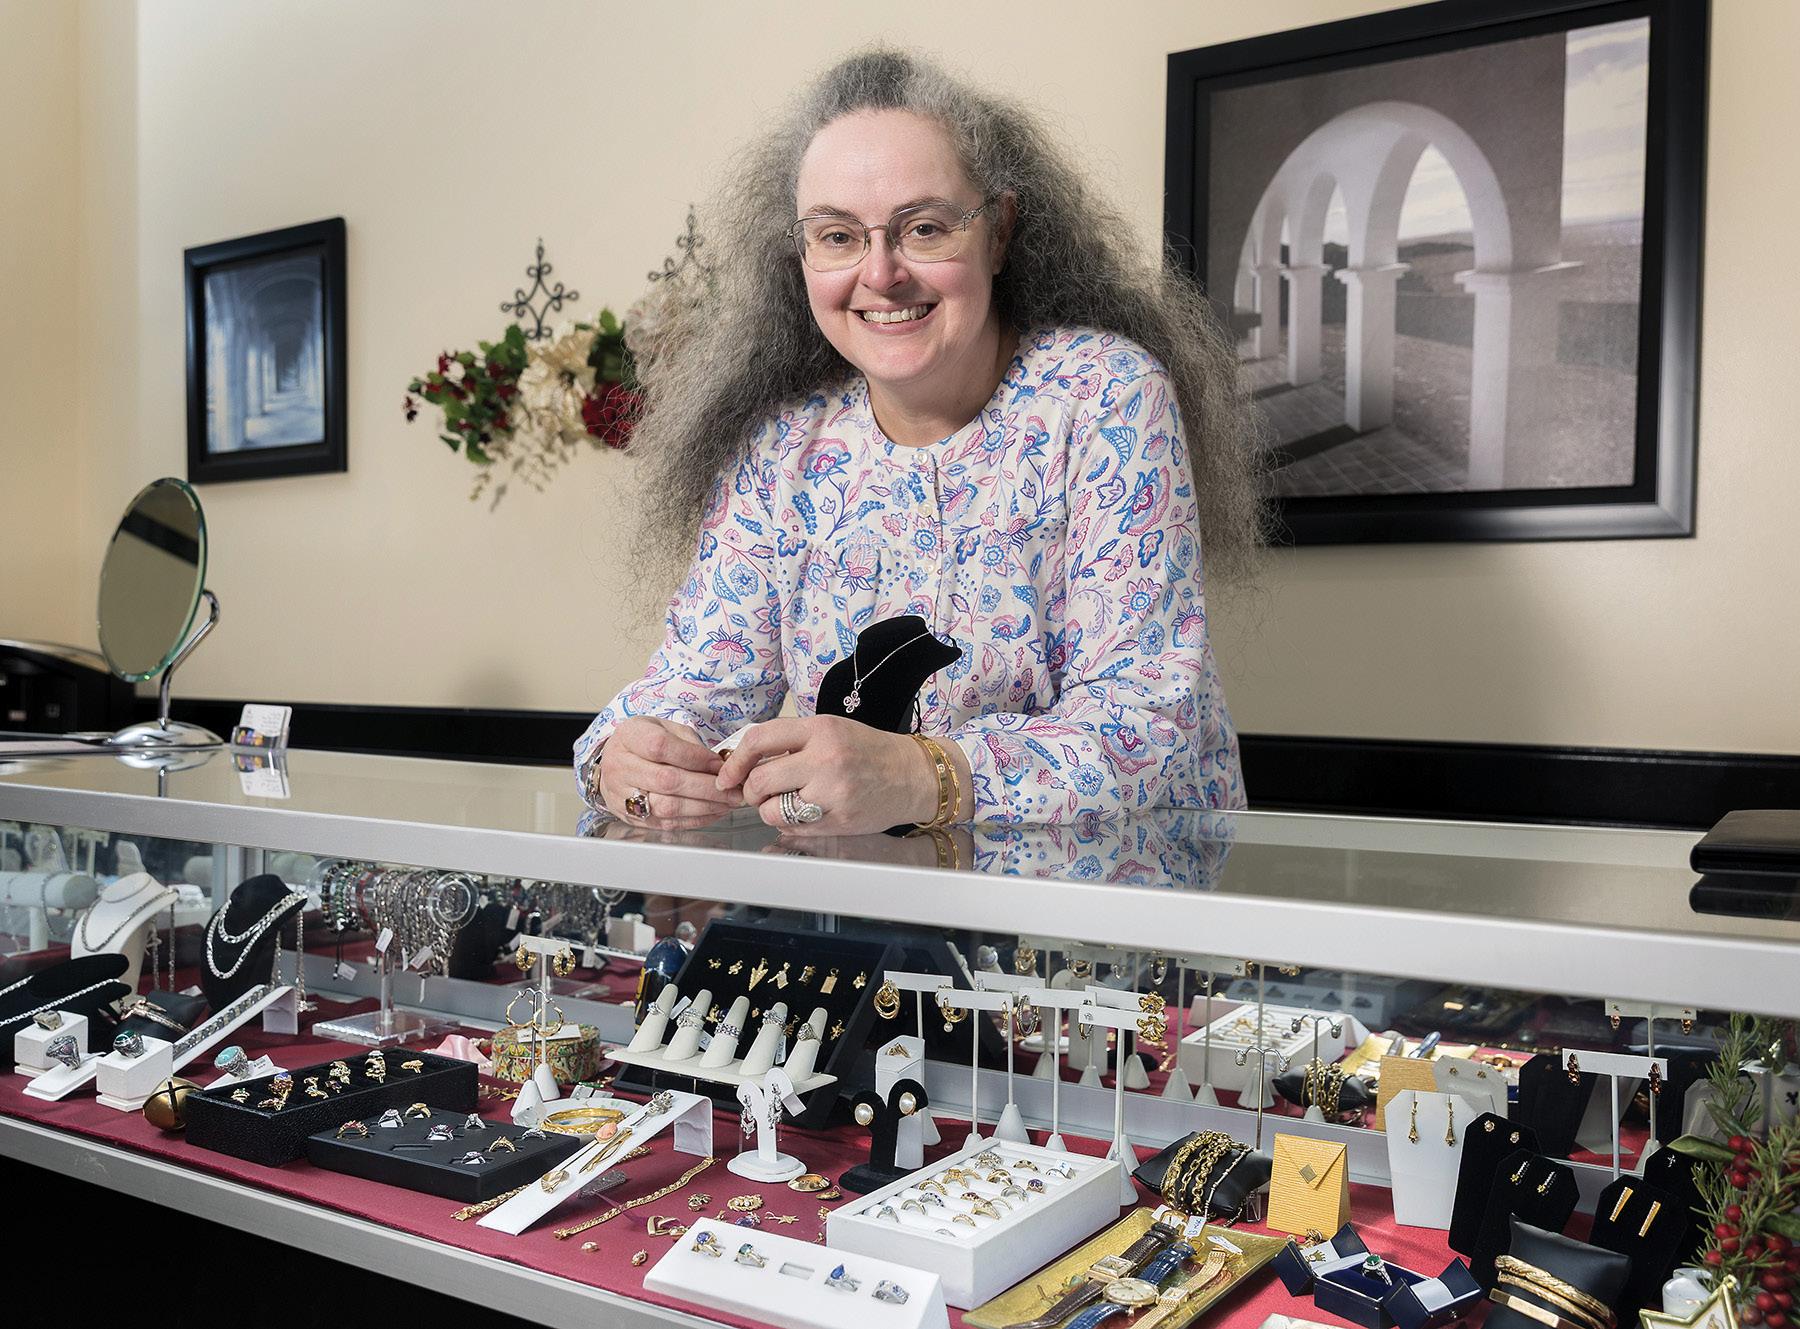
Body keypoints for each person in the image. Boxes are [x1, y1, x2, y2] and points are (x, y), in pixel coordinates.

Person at [575, 49, 1263, 834]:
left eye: (925, 228)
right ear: (801, 257)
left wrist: (920, 774)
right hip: (877, 899)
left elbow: (1147, 722)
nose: (880, 273)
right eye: (837, 236)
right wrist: (620, 761)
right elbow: (693, 689)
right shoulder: (780, 449)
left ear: (999, 232)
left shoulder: (1105, 394)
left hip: (1114, 889)